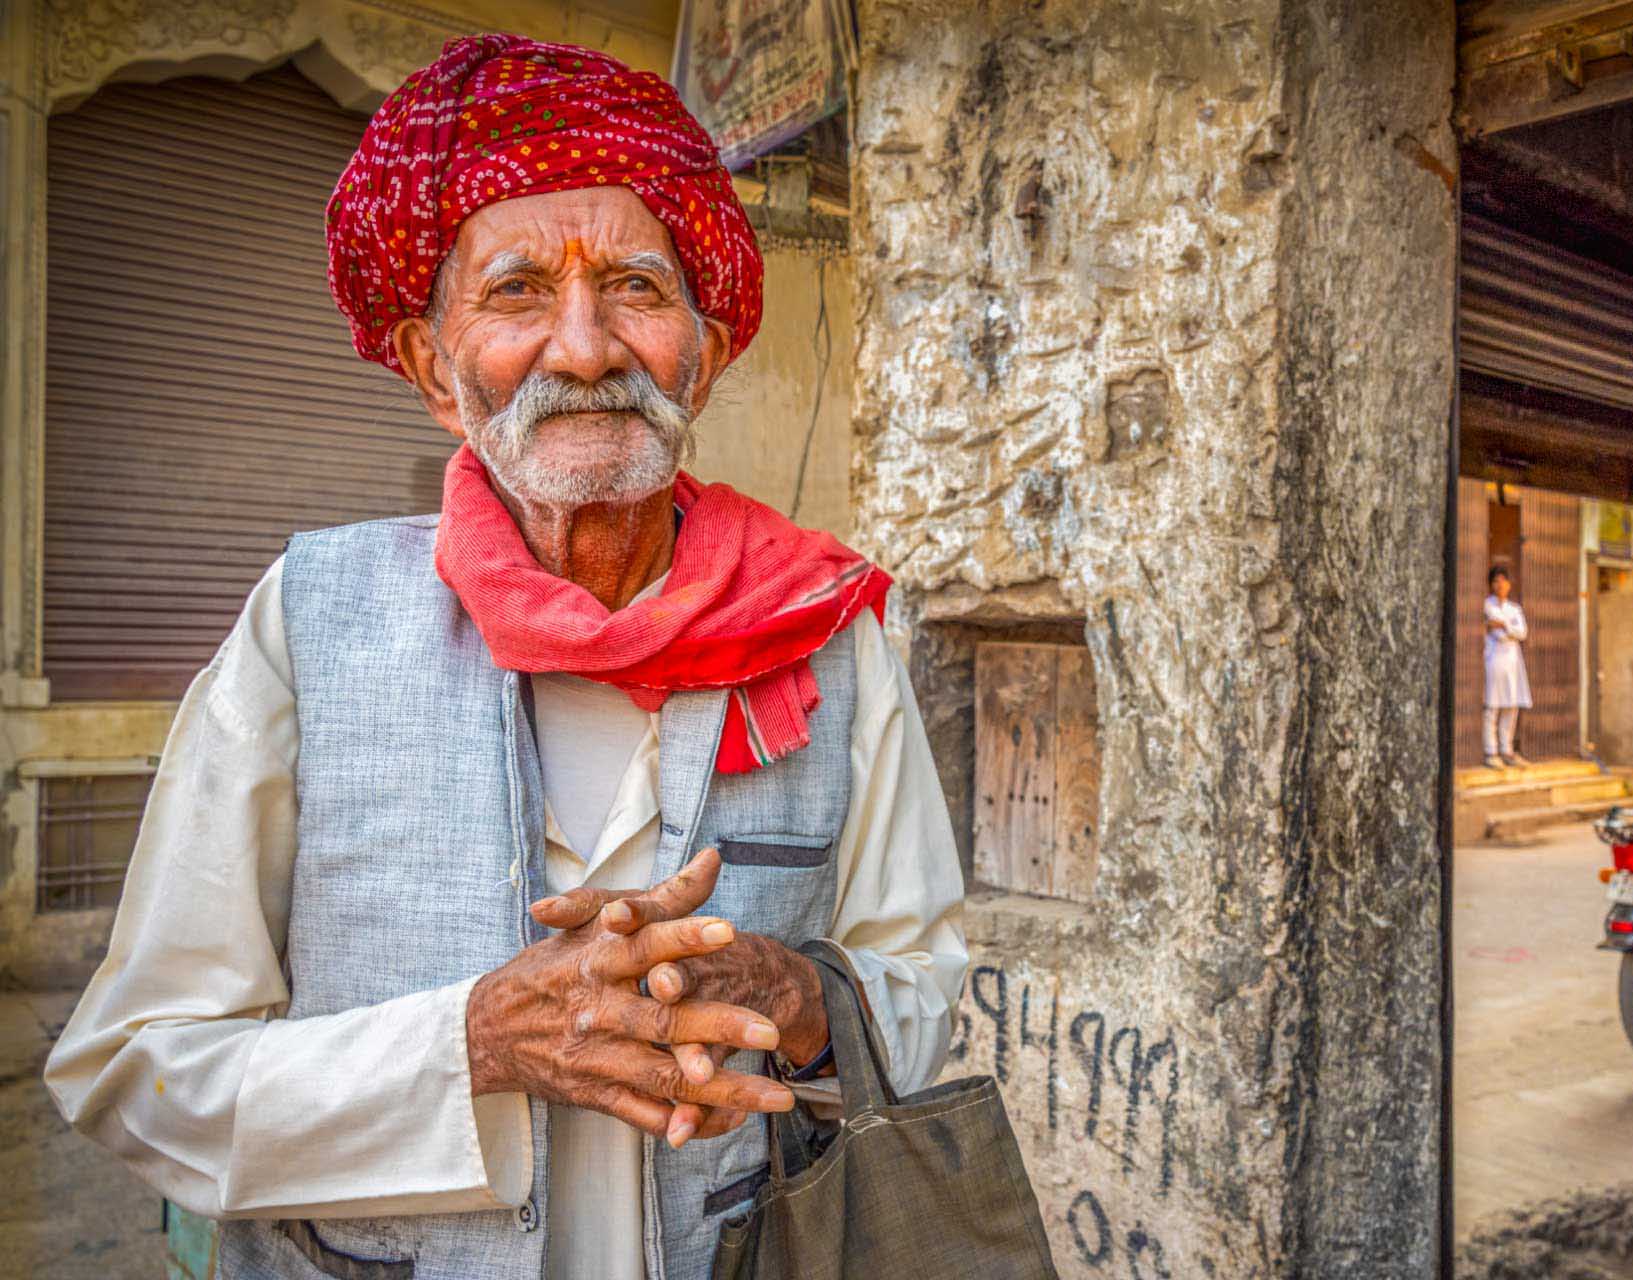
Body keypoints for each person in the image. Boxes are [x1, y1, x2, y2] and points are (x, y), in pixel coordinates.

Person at [44, 34, 966, 1280]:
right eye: (519, 292)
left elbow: (918, 990)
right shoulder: (309, 622)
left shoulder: (829, 628)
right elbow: (137, 1069)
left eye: (637, 288)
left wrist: (794, 994)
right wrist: (473, 1042)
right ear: (434, 368)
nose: (584, 348)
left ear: (706, 345)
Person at [1482, 564, 1533, 769]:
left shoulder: (1514, 609)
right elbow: (1497, 634)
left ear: (1509, 584)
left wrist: (1504, 625)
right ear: (1491, 585)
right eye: (1495, 581)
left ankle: (1507, 749)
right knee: (1492, 707)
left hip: (1513, 662)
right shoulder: (1487, 606)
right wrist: (1507, 629)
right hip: (1494, 660)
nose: (1499, 584)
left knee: (1511, 707)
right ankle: (1491, 751)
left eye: (1503, 581)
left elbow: (1522, 633)